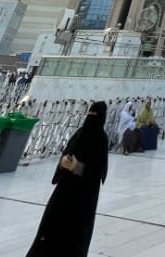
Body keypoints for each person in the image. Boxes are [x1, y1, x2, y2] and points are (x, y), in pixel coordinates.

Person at [25, 101, 109, 257]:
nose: (91, 118)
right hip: (64, 192)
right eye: (89, 115)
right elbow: (66, 155)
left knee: (73, 237)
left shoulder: (101, 139)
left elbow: (99, 172)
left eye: (94, 115)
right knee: (50, 231)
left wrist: (78, 167)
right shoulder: (79, 133)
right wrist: (63, 163)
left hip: (83, 199)